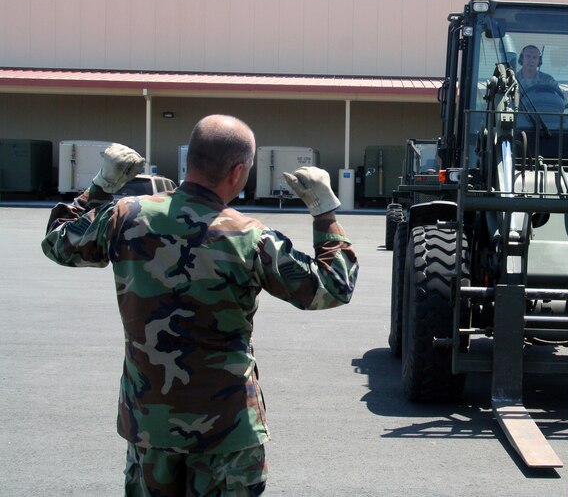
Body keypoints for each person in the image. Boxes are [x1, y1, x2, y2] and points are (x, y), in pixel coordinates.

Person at [41, 114, 358, 496]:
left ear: (190, 161)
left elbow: (59, 243)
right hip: (227, 432)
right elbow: (333, 286)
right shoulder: (250, 237)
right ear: (238, 171)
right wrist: (324, 212)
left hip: (150, 425)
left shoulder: (126, 217)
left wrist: (101, 185)